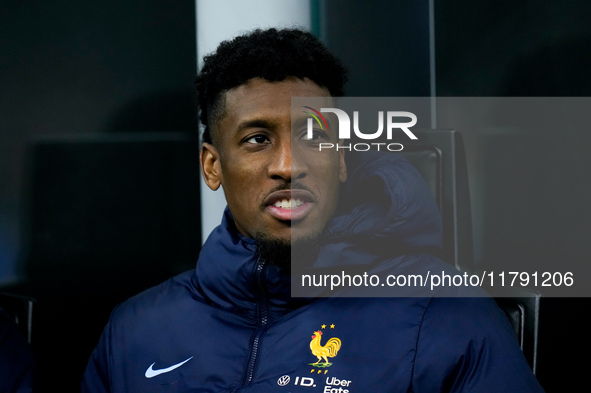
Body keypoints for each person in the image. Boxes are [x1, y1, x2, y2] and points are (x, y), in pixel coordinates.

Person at [81, 28, 544, 392]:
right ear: (212, 166)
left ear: (341, 160)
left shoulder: (446, 314)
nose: (288, 166)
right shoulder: (135, 331)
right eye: (257, 139)